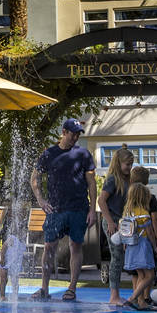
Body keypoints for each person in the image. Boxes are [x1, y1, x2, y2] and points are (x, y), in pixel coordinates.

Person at [30, 117, 96, 301]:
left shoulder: (83, 155)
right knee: (49, 247)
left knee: (76, 245)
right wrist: (41, 200)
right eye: (72, 133)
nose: (75, 137)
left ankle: (72, 288)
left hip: (78, 208)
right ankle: (44, 288)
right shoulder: (49, 154)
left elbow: (92, 183)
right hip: (55, 209)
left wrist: (92, 210)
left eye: (78, 134)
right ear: (64, 132)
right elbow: (34, 179)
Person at [95, 146, 134, 306]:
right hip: (112, 222)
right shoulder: (112, 179)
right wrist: (110, 221)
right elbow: (101, 200)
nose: (129, 167)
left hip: (123, 223)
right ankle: (114, 296)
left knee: (125, 257)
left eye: (131, 164)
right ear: (119, 163)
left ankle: (132, 292)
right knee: (117, 257)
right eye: (127, 164)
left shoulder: (128, 179)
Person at [119, 179, 157, 311]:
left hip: (131, 246)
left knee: (141, 275)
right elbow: (150, 233)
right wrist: (155, 246)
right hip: (143, 245)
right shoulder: (143, 213)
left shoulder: (127, 212)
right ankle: (132, 298)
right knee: (150, 275)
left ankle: (141, 302)